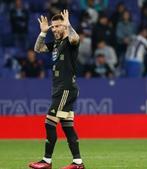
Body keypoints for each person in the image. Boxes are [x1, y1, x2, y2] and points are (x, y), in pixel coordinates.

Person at [28, 10, 85, 169]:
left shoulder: (69, 41)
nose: (55, 29)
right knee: (68, 126)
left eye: (58, 26)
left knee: (49, 122)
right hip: (59, 89)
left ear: (64, 26)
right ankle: (78, 163)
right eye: (53, 27)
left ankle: (46, 161)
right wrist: (42, 33)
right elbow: (38, 49)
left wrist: (69, 25)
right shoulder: (55, 44)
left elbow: (75, 38)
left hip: (66, 89)